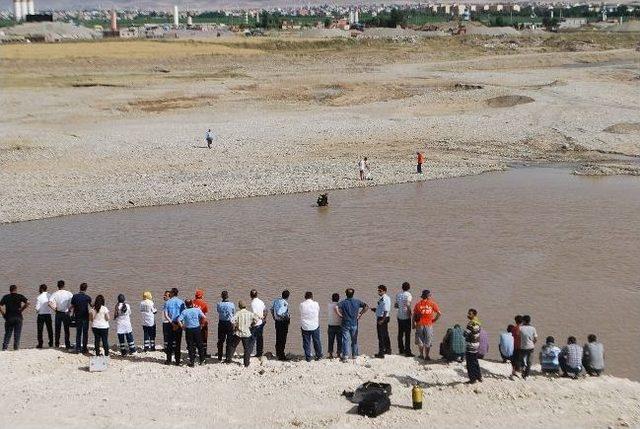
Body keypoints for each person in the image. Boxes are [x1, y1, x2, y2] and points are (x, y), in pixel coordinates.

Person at [336, 288, 368, 362]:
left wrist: (340, 315)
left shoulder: (343, 302)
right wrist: (360, 314)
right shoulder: (357, 301)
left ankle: (346, 356)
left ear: (346, 294)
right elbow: (366, 307)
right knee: (354, 340)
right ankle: (354, 355)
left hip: (345, 323)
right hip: (354, 323)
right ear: (353, 294)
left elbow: (336, 307)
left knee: (345, 340)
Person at [226, 300, 260, 367]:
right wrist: (252, 324)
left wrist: (235, 326)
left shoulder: (238, 313)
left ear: (239, 306)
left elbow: (232, 320)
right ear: (246, 306)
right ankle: (246, 363)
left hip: (238, 332)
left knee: (233, 346)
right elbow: (257, 319)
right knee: (247, 349)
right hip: (247, 333)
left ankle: (229, 360)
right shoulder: (250, 313)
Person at [412, 289, 441, 361]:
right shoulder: (432, 304)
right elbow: (439, 313)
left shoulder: (418, 304)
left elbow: (414, 315)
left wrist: (413, 324)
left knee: (420, 340)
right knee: (428, 340)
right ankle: (427, 356)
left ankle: (421, 355)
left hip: (419, 324)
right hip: (429, 324)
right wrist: (434, 320)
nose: (430, 296)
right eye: (430, 295)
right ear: (428, 296)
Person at [178, 299, 206, 367]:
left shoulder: (184, 312)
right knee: (200, 345)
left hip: (189, 330)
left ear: (186, 305)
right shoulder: (197, 310)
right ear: (192, 304)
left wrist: (182, 327)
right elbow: (204, 317)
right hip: (197, 329)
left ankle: (192, 362)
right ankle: (202, 361)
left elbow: (179, 320)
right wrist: (202, 325)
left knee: (190, 346)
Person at [1, 285, 29, 351]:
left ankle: (4, 348)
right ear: (16, 289)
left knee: (8, 333)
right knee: (17, 333)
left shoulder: (6, 297)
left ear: (10, 290)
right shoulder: (20, 296)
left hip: (9, 317)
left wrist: (3, 314)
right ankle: (16, 348)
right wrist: (21, 309)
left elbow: (0, 306)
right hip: (18, 317)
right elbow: (28, 303)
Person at [164, 288, 186, 365]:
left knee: (169, 342)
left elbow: (166, 315)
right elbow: (183, 314)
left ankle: (168, 360)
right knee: (178, 343)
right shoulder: (181, 302)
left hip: (171, 323)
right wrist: (181, 324)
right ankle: (177, 361)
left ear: (172, 293)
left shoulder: (168, 302)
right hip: (179, 323)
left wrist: (172, 323)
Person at [48, 280, 73, 349]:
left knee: (57, 329)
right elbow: (73, 303)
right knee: (66, 330)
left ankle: (57, 344)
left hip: (58, 313)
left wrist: (55, 309)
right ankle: (67, 344)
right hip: (66, 313)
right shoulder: (68, 293)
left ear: (57, 286)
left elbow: (49, 303)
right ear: (64, 285)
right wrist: (70, 310)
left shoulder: (55, 293)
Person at [69, 283, 92, 354]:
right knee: (85, 333)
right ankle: (84, 348)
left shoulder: (75, 296)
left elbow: (72, 306)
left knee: (78, 333)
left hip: (78, 317)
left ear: (80, 288)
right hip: (85, 317)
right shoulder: (88, 297)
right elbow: (92, 306)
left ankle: (78, 348)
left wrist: (68, 311)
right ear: (86, 289)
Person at [300, 291, 322, 362]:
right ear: (312, 297)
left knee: (306, 342)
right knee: (317, 341)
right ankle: (318, 356)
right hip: (315, 325)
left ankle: (308, 357)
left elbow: (301, 312)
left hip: (305, 326)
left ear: (305, 297)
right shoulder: (316, 304)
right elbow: (318, 311)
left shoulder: (302, 304)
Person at [271, 289, 291, 361]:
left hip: (277, 322)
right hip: (283, 322)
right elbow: (280, 312)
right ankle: (282, 355)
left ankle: (278, 353)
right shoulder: (285, 303)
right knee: (283, 339)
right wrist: (286, 316)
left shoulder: (276, 300)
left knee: (278, 337)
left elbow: (271, 309)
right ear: (288, 296)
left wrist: (274, 317)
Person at [372, 285, 391, 358]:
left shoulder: (385, 298)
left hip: (383, 318)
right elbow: (381, 308)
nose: (379, 292)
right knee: (385, 334)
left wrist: (382, 320)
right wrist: (375, 310)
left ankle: (381, 353)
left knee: (381, 335)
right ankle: (388, 350)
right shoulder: (382, 298)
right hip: (382, 317)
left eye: (380, 290)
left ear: (384, 291)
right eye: (378, 290)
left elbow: (386, 310)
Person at [464, 308, 482, 384]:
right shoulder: (478, 322)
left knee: (470, 363)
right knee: (475, 361)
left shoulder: (470, 324)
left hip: (471, 345)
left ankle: (472, 379)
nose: (468, 315)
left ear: (474, 315)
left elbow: (465, 334)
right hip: (477, 344)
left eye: (470, 314)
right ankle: (479, 377)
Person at [395, 282, 413, 357]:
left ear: (402, 287)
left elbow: (396, 305)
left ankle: (401, 349)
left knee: (400, 333)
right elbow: (408, 304)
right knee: (407, 334)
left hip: (399, 316)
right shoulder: (408, 295)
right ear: (408, 288)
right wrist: (410, 312)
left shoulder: (398, 294)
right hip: (406, 316)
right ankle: (407, 351)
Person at [216, 290, 235, 361]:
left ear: (221, 296)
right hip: (229, 323)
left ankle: (219, 356)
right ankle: (227, 357)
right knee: (229, 341)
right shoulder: (232, 304)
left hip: (221, 323)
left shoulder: (219, 304)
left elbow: (218, 311)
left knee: (220, 340)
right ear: (228, 296)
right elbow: (233, 313)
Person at [519, 315, 538, 379]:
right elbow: (535, 339)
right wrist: (532, 344)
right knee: (529, 361)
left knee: (522, 360)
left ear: (523, 321)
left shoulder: (520, 328)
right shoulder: (533, 328)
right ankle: (526, 374)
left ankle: (523, 370)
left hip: (522, 347)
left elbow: (518, 337)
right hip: (531, 347)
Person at [249, 289, 266, 359]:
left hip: (255, 323)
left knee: (252, 339)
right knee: (260, 338)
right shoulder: (261, 301)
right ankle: (259, 353)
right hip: (261, 323)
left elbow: (254, 315)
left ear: (250, 295)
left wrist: (252, 324)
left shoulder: (252, 303)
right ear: (257, 294)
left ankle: (249, 353)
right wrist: (264, 318)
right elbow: (265, 310)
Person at [35, 284, 53, 348]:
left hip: (41, 315)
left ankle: (40, 344)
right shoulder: (50, 295)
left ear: (41, 289)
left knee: (40, 330)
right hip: (48, 315)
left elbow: (37, 308)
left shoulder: (39, 297)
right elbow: (52, 305)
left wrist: (37, 310)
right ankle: (51, 343)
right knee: (49, 329)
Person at [193, 290, 209, 357]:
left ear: (195, 296)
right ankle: (204, 353)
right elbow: (205, 313)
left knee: (193, 338)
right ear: (202, 296)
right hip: (202, 323)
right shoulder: (204, 303)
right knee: (204, 338)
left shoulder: (192, 302)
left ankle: (193, 352)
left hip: (193, 323)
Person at [327, 293, 342, 359]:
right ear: (338, 299)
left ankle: (330, 354)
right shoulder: (341, 306)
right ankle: (338, 354)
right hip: (339, 325)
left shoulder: (329, 305)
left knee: (331, 340)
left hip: (331, 325)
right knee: (339, 340)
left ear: (332, 298)